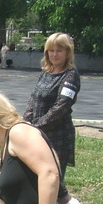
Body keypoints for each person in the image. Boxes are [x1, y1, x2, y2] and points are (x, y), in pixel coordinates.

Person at [24, 32, 80, 179]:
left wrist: (37, 126)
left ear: (67, 52)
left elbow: (61, 107)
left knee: (52, 180)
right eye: (51, 50)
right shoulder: (46, 72)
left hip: (57, 137)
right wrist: (26, 121)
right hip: (37, 134)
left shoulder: (71, 75)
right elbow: (34, 97)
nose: (54, 54)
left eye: (59, 51)